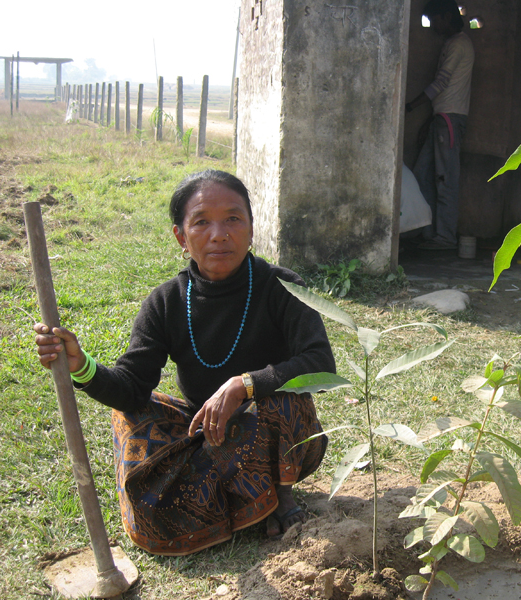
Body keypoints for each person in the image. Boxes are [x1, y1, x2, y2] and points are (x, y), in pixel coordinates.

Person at [33, 169, 335, 555]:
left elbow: (320, 363)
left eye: (232, 219)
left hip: (275, 436)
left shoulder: (281, 287)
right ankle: (219, 504)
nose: (219, 234)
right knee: (130, 416)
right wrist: (81, 366)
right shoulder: (166, 302)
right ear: (181, 236)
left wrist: (244, 384)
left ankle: (280, 497)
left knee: (286, 394)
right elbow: (132, 386)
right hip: (202, 431)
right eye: (201, 222)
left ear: (251, 227)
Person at [406, 0, 474, 250]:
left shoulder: (459, 44)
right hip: (441, 118)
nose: (433, 26)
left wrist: (411, 106)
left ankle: (445, 237)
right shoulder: (452, 43)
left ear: (446, 17)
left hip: (450, 119)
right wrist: (429, 119)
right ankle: (427, 234)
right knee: (422, 175)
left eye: (435, 20)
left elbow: (441, 84)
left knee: (445, 179)